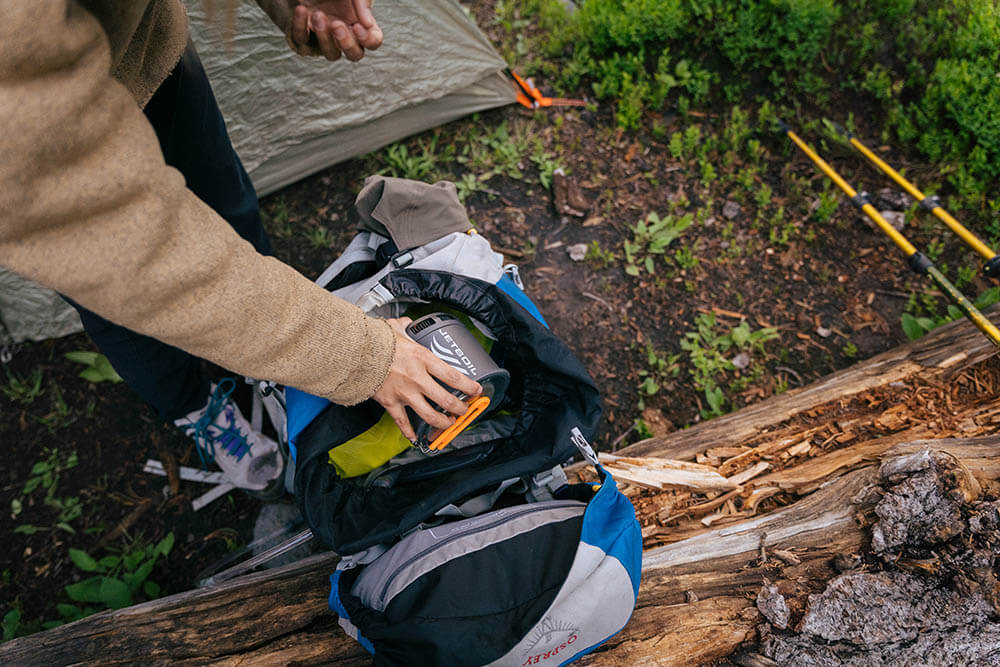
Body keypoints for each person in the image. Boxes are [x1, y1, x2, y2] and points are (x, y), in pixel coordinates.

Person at [0, 0, 481, 496]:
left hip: (147, 53)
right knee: (116, 297)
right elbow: (135, 258)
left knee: (227, 206)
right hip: (34, 142)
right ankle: (194, 406)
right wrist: (362, 359)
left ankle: (258, 355)